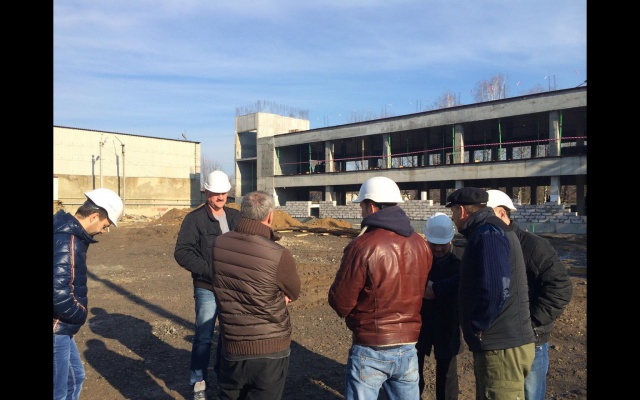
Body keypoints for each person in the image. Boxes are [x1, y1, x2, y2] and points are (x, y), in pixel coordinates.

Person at [328, 176, 433, 400]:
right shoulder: (421, 244)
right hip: (408, 345)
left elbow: (341, 302)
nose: (361, 212)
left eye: (362, 206)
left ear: (372, 206)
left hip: (371, 346)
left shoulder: (362, 245)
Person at [445, 187, 535, 400]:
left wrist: (478, 325)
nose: (452, 217)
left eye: (453, 211)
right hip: (506, 343)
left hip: (501, 347)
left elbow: (495, 288)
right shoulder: (492, 230)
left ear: (462, 210)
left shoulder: (488, 234)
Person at [210, 191, 301, 400]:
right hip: (270, 346)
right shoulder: (278, 253)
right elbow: (294, 290)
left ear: (242, 213)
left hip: (232, 344)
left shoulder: (218, 244)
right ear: (270, 216)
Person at [486, 189, 573, 400]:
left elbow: (560, 288)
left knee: (531, 394)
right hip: (502, 340)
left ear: (501, 213)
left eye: (484, 216)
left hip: (533, 341)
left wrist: (531, 322)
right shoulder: (490, 245)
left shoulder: (533, 246)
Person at [174, 170, 241, 400]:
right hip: (207, 287)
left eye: (223, 193)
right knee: (204, 336)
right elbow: (183, 252)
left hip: (232, 288)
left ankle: (224, 377)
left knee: (228, 334)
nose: (220, 197)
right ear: (206, 192)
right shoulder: (194, 220)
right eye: (215, 193)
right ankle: (198, 382)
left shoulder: (236, 217)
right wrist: (211, 271)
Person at [54, 188, 124, 400]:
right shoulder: (68, 241)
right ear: (94, 217)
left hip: (62, 328)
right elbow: (58, 294)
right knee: (59, 391)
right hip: (57, 328)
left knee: (75, 377)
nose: (104, 231)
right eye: (105, 225)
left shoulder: (67, 235)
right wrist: (80, 313)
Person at [418, 212, 464, 400]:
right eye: (433, 244)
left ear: (450, 239)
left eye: (442, 244)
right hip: (421, 321)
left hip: (448, 322)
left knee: (447, 374)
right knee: (413, 370)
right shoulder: (418, 256)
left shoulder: (462, 258)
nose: (437, 249)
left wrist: (437, 290)